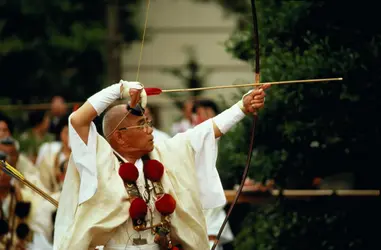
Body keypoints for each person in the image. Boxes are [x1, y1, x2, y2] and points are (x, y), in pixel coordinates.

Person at [54, 80, 269, 250]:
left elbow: (205, 131)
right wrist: (120, 89)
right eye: (141, 125)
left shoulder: (163, 153)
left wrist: (242, 107)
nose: (149, 129)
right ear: (119, 137)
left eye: (148, 123)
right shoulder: (100, 158)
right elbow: (78, 120)